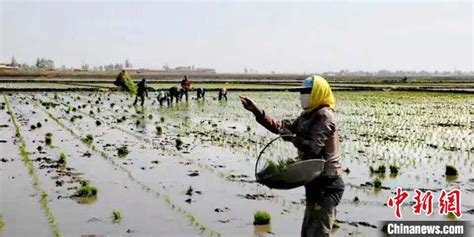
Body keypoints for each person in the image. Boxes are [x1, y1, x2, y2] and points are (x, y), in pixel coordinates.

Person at [240, 75, 344, 237]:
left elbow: (313, 149)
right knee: (307, 232)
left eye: (307, 91)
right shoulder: (307, 115)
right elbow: (281, 126)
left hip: (327, 184)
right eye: (302, 91)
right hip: (314, 182)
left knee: (318, 233)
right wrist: (257, 111)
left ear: (318, 92)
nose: (303, 95)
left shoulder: (324, 116)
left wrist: (293, 138)